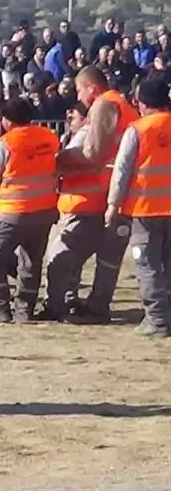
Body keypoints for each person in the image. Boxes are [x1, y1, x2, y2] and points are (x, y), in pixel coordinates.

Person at [45, 66, 139, 323]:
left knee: (66, 254)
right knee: (108, 260)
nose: (80, 96)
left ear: (92, 88)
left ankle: (72, 305)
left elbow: (93, 152)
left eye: (80, 90)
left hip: (95, 199)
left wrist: (57, 160)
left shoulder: (104, 105)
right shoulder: (125, 107)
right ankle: (97, 307)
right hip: (119, 196)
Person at [0, 99, 60, 323]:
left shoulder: (7, 143)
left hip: (14, 212)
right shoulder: (49, 137)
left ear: (6, 121)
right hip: (44, 210)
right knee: (31, 262)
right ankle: (24, 309)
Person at [107, 79, 171, 337]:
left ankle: (157, 320)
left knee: (146, 264)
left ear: (142, 103)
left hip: (145, 209)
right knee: (167, 264)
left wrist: (113, 204)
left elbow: (121, 171)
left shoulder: (138, 129)